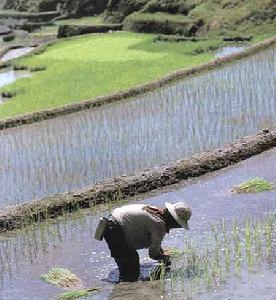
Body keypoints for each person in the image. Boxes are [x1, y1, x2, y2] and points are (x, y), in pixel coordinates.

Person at [101, 202, 192, 282]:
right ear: (174, 221)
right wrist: (165, 259)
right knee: (130, 275)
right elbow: (153, 254)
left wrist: (160, 250)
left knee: (130, 261)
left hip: (110, 223)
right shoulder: (159, 224)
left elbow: (152, 238)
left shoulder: (154, 211)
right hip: (116, 230)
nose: (175, 227)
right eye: (177, 225)